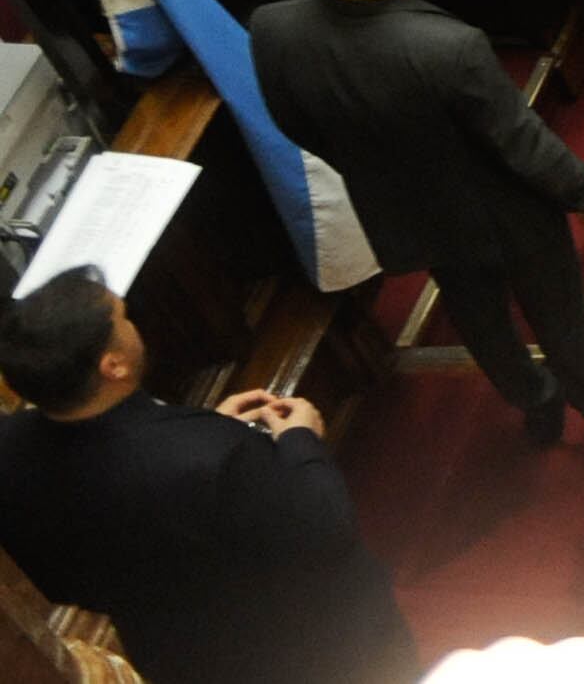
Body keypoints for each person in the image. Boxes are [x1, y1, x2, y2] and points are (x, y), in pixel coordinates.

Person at [253, 0, 584, 450]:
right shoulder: (448, 47)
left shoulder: (273, 27)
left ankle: (537, 402)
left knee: (479, 321)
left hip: (410, 215)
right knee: (560, 316)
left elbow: (294, 123)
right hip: (504, 213)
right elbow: (518, 139)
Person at [0, 272, 416, 684]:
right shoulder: (212, 455)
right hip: (310, 645)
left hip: (183, 657)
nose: (133, 322)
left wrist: (196, 434)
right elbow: (326, 528)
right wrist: (301, 438)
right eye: (123, 318)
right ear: (114, 365)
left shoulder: (9, 452)